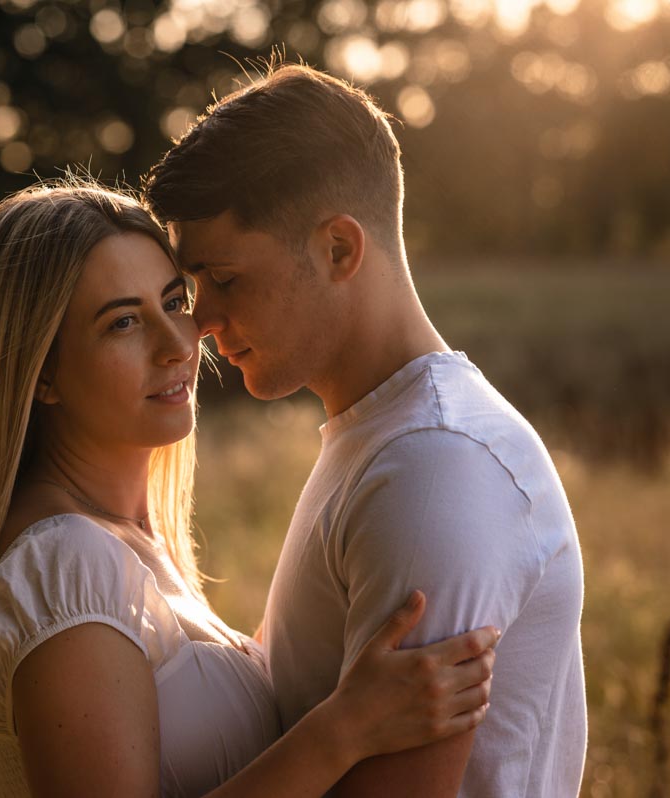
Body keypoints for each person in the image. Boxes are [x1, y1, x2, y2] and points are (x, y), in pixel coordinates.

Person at [0, 180, 500, 798]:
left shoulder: (122, 542)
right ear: (42, 373)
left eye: (174, 302)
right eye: (123, 322)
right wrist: (345, 730)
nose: (178, 344)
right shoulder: (64, 565)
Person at [142, 62, 587, 796]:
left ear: (339, 250)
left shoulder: (435, 467)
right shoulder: (386, 438)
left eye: (223, 279)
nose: (202, 321)